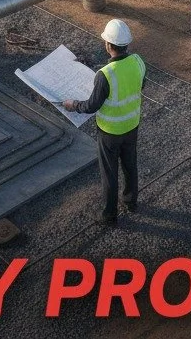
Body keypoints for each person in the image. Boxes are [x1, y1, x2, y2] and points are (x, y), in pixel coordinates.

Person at [63, 19, 146, 226]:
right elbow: (139, 85)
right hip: (132, 125)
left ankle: (109, 216)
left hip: (110, 132)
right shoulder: (138, 62)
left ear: (108, 45)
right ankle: (131, 202)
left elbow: (91, 106)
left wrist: (73, 105)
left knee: (110, 173)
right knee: (130, 165)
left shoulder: (105, 75)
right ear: (126, 44)